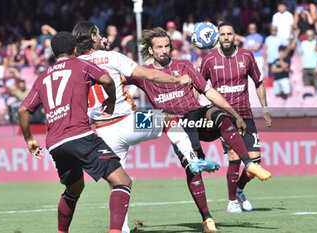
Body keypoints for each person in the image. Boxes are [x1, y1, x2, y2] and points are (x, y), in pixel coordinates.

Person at [72, 21, 220, 233]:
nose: (101, 35)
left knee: (118, 183)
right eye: (98, 33)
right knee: (167, 118)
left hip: (103, 130)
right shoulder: (113, 57)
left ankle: (120, 228)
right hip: (127, 121)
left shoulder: (74, 65)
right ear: (94, 37)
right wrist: (176, 80)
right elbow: (147, 74)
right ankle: (192, 158)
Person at [124, 27, 272, 230]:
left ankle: (248, 163)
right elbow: (115, 78)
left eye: (167, 46)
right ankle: (207, 218)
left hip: (196, 116)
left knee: (219, 114)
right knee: (193, 168)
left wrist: (236, 115)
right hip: (175, 125)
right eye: (159, 47)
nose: (165, 50)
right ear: (150, 49)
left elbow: (209, 92)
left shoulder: (184, 65)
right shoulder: (144, 73)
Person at [18, 31, 132, 233]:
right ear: (74, 50)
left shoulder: (43, 76)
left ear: (53, 53)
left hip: (55, 143)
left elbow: (23, 109)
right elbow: (106, 79)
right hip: (81, 136)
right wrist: (112, 101)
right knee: (122, 181)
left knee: (74, 188)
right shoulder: (81, 64)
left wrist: (29, 140)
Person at [199, 22, 272, 213]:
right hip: (222, 117)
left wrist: (264, 108)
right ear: (218, 37)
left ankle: (239, 189)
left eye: (229, 34)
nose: (225, 37)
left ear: (234, 35)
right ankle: (232, 202)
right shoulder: (209, 60)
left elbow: (259, 82)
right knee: (234, 157)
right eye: (222, 34)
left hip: (245, 114)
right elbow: (198, 84)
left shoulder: (247, 56)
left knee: (255, 163)